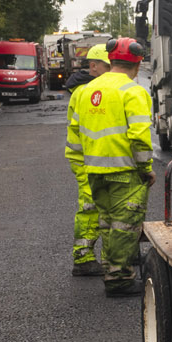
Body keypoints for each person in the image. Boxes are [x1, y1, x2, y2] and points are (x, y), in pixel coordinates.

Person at [69, 38, 152, 296]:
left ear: (111, 60)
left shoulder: (83, 91)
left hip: (94, 171)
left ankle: (110, 269)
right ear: (137, 64)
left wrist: (82, 169)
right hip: (124, 172)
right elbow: (139, 136)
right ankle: (119, 279)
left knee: (107, 224)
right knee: (125, 226)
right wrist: (145, 168)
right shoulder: (133, 91)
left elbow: (74, 136)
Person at [65, 44, 111, 275]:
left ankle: (113, 254)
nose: (112, 71)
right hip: (86, 158)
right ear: (93, 66)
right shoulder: (86, 92)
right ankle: (83, 259)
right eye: (107, 66)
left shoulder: (88, 89)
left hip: (92, 156)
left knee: (105, 205)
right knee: (90, 206)